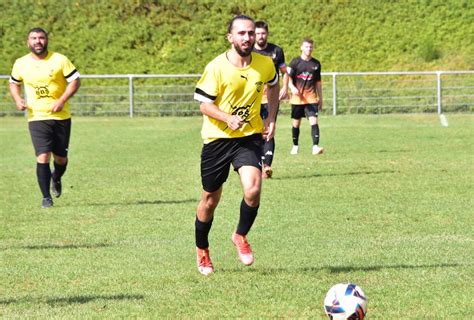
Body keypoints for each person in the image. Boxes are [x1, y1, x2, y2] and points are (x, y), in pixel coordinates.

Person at [193, 15, 279, 275]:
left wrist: (272, 118)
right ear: (230, 37)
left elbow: (274, 87)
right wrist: (227, 117)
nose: (247, 38)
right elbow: (203, 104)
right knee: (210, 199)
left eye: (251, 33)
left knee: (253, 189)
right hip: (217, 139)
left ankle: (240, 235)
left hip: (249, 136)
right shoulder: (217, 67)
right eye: (241, 33)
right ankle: (202, 250)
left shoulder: (265, 64)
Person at [9, 27, 81, 208]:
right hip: (36, 117)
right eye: (33, 38)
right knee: (42, 155)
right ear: (28, 42)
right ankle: (46, 197)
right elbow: (13, 83)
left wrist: (62, 100)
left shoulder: (60, 60)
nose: (37, 41)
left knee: (60, 158)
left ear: (46, 40)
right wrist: (18, 99)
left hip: (60, 117)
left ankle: (56, 177)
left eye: (41, 38)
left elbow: (75, 81)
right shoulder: (21, 63)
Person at [253, 20, 288, 178]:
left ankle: (267, 166)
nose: (261, 36)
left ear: (267, 34)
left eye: (263, 33)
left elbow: (284, 72)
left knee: (269, 129)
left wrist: (285, 88)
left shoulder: (276, 51)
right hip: (253, 98)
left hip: (270, 98)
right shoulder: (249, 51)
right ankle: (257, 165)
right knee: (255, 132)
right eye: (258, 33)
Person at [284, 38, 324, 155]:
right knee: (296, 124)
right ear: (301, 48)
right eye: (306, 47)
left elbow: (318, 83)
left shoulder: (316, 64)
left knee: (314, 121)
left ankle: (315, 147)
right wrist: (292, 87)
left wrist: (321, 98)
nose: (309, 49)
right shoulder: (295, 62)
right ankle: (295, 146)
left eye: (310, 47)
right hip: (297, 99)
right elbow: (288, 77)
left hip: (311, 98)